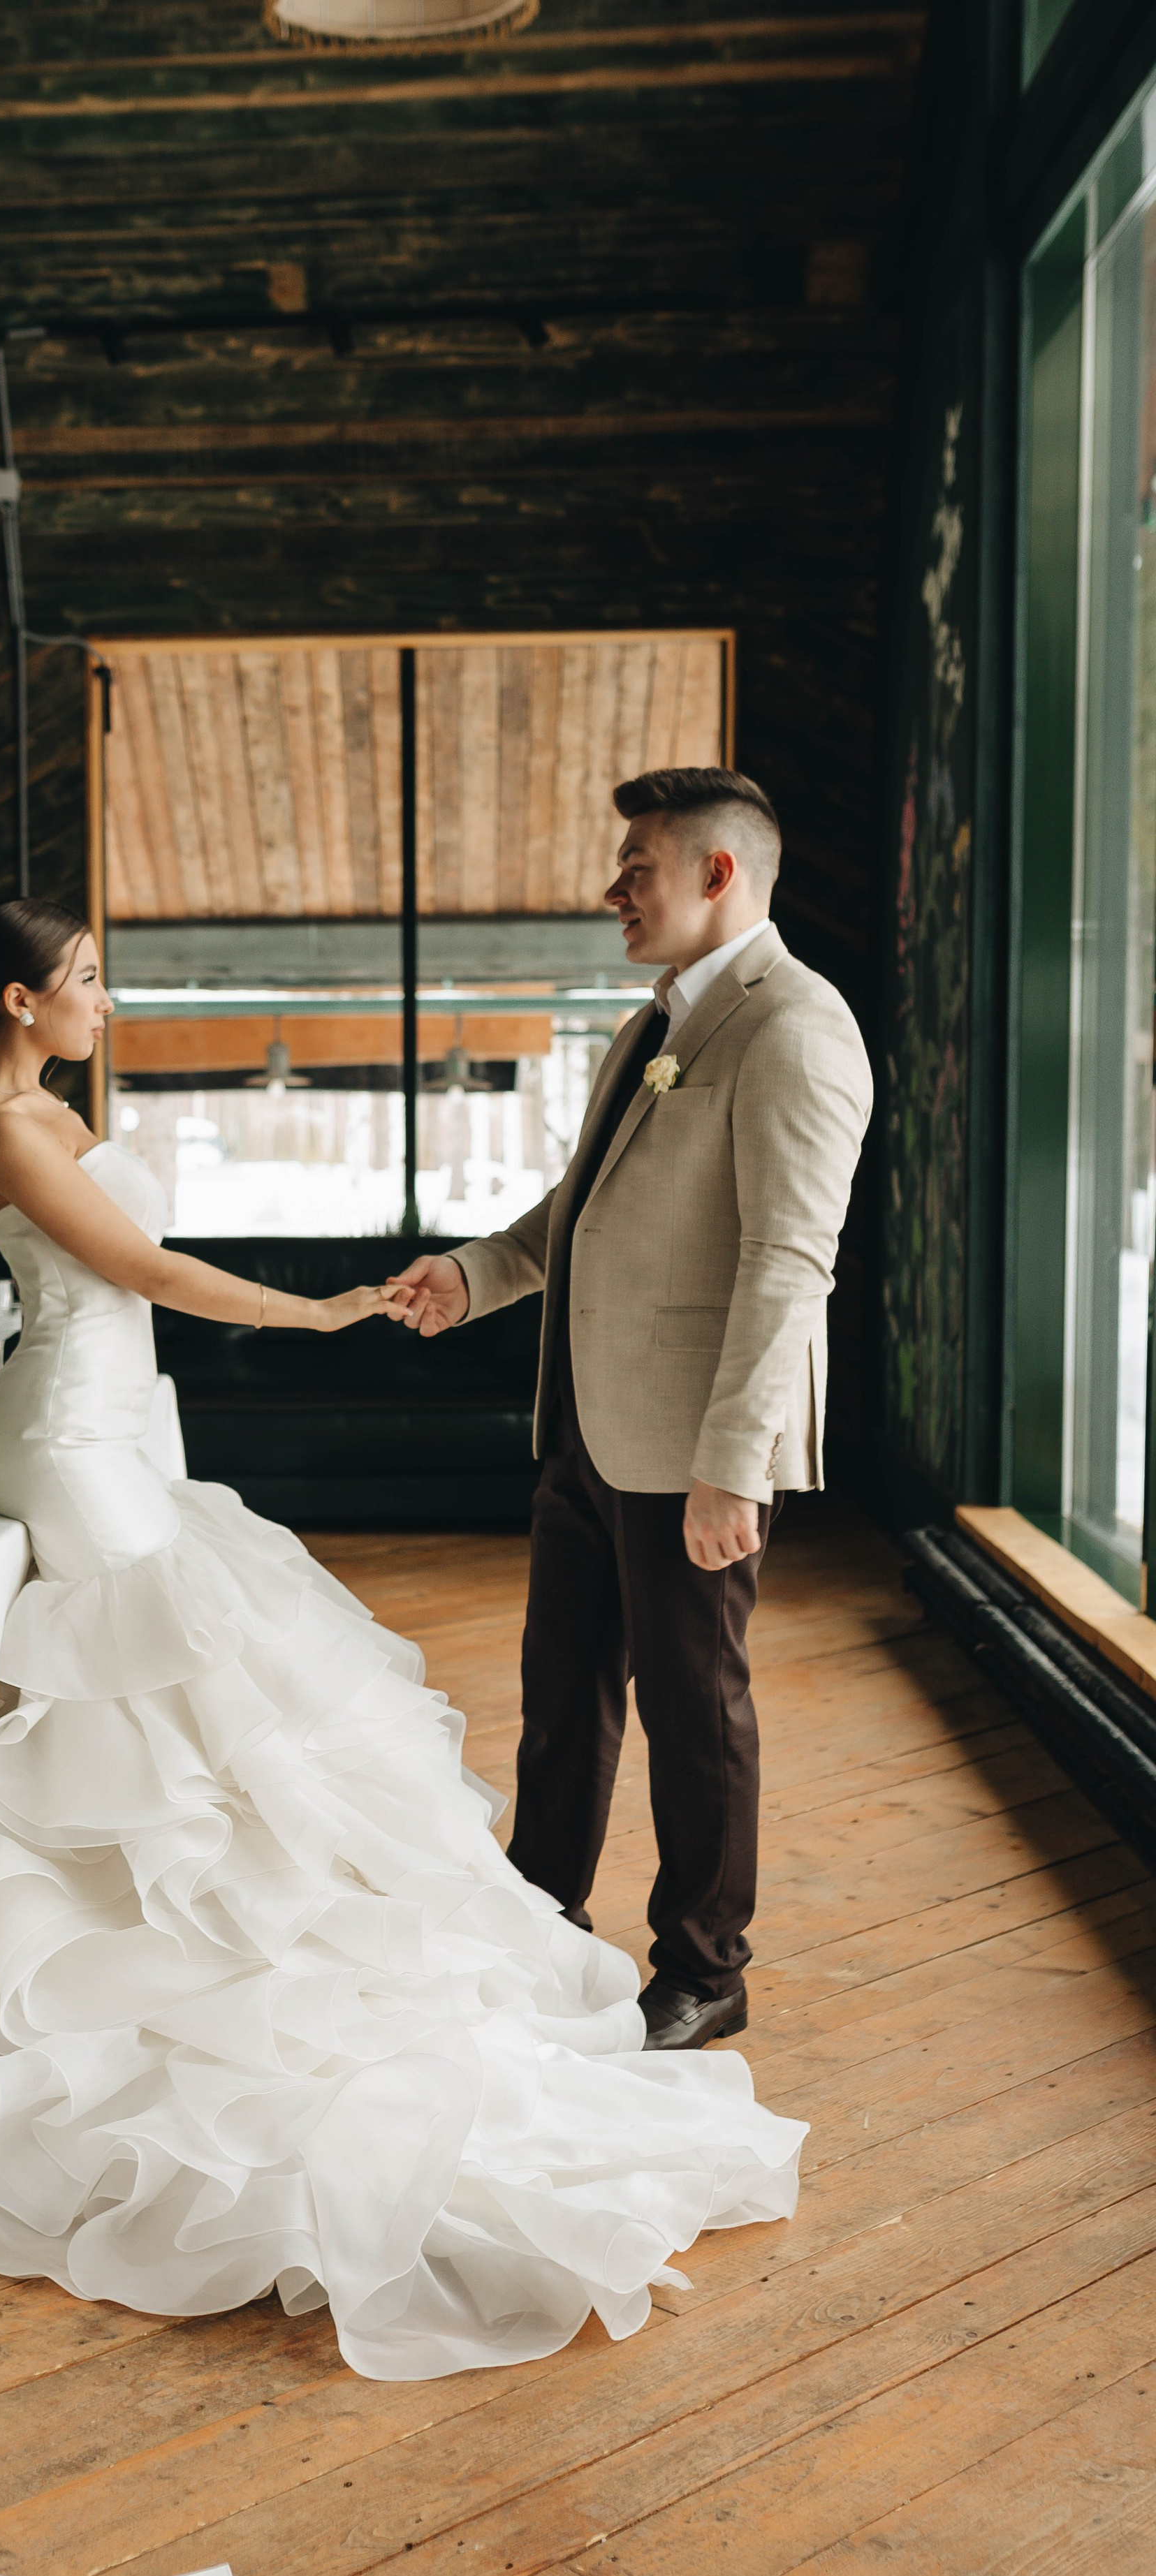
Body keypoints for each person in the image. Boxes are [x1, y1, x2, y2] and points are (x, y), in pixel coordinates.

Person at [0, 891, 805, 2384]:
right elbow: (148, 1275)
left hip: (110, 1423)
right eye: (86, 979)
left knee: (207, 1693)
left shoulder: (49, 1105)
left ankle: (241, 1928)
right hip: (66, 1435)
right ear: (18, 1002)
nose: (105, 1001)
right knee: (174, 1700)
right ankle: (186, 1960)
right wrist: (317, 1316)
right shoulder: (5, 1127)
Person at [392, 767, 873, 2052]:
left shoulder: (797, 1027)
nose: (615, 889)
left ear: (718, 873)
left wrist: (734, 1464)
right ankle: (543, 1921)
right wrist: (474, 1274)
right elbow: (585, 1208)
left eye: (636, 865)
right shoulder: (650, 1024)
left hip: (694, 1447)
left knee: (693, 1713)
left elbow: (790, 1261)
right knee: (563, 1700)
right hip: (588, 1430)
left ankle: (706, 1970)